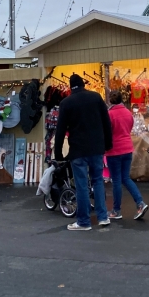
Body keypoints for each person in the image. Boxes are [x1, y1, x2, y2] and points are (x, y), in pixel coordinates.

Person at [54, 73, 113, 231]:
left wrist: (58, 154)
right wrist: (108, 144)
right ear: (83, 84)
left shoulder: (66, 103)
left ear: (70, 87)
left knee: (81, 185)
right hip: (96, 147)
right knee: (98, 181)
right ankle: (103, 217)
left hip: (78, 150)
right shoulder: (96, 98)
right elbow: (106, 122)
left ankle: (84, 221)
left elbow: (60, 130)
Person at [105, 90, 148, 220]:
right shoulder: (128, 113)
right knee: (126, 178)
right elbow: (129, 128)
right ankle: (140, 202)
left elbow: (107, 132)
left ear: (110, 100)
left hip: (114, 150)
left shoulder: (109, 114)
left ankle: (116, 210)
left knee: (116, 180)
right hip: (127, 148)